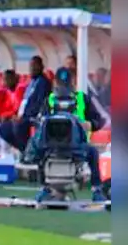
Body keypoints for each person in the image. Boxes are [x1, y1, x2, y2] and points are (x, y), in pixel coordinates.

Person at [28, 67, 107, 203]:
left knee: (93, 152)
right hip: (51, 145)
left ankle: (96, 190)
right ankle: (45, 188)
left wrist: (90, 124)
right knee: (39, 153)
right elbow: (38, 120)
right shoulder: (49, 100)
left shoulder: (83, 98)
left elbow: (98, 120)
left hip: (77, 146)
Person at [0, 55, 51, 154]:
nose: (32, 68)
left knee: (18, 126)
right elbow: (24, 102)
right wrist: (15, 115)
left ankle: (29, 152)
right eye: (31, 66)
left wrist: (23, 116)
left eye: (35, 65)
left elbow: (41, 103)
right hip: (22, 115)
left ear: (41, 67)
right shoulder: (31, 83)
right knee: (3, 129)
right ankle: (25, 149)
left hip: (33, 116)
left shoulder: (43, 83)